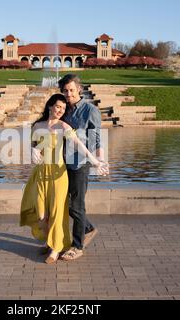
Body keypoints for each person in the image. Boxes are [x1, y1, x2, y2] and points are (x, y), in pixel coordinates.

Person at [20, 94, 107, 264]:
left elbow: (79, 145)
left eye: (63, 108)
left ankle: (55, 248)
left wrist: (95, 161)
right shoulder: (37, 126)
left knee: (57, 213)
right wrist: (33, 151)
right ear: (50, 106)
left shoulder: (63, 126)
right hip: (41, 174)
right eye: (58, 106)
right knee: (42, 215)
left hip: (58, 175)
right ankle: (50, 240)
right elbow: (34, 146)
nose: (60, 110)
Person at [59, 74, 109, 262]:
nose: (68, 93)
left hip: (80, 163)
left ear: (79, 89)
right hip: (62, 163)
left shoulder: (90, 110)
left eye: (71, 89)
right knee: (63, 203)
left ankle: (77, 246)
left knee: (76, 205)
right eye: (65, 90)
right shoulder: (63, 109)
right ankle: (87, 228)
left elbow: (96, 138)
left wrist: (100, 161)